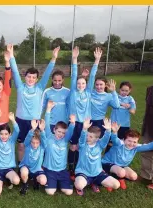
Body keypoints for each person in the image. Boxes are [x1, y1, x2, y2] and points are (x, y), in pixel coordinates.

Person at [7, 44, 60, 162]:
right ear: (25, 77)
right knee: (21, 146)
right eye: (29, 77)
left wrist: (53, 58)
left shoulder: (40, 87)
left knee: (34, 145)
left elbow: (47, 73)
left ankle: (33, 166)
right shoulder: (20, 87)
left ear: (37, 79)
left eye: (33, 77)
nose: (31, 79)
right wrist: (11, 55)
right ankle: (21, 165)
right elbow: (15, 71)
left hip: (34, 122)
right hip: (20, 121)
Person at [102, 122, 153, 191]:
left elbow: (148, 147)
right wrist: (114, 132)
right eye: (129, 141)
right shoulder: (119, 144)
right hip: (108, 163)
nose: (131, 144)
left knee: (134, 176)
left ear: (137, 142)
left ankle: (119, 177)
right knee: (121, 172)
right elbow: (114, 139)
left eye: (134, 142)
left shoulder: (136, 147)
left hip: (121, 166)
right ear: (124, 140)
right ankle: (109, 177)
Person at [67, 46, 101, 179]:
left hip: (85, 125)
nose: (80, 85)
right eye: (78, 83)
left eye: (83, 83)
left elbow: (92, 76)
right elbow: (74, 74)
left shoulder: (88, 92)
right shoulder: (73, 92)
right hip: (74, 124)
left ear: (86, 85)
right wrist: (74, 59)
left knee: (84, 147)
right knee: (73, 147)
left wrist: (96, 60)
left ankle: (82, 168)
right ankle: (71, 168)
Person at [74, 118, 120, 196]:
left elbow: (105, 139)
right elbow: (82, 138)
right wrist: (84, 129)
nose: (87, 138)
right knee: (79, 185)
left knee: (116, 184)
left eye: (91, 137)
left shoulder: (100, 145)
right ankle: (82, 184)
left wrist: (108, 130)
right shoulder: (83, 145)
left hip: (97, 173)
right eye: (87, 136)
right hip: (83, 172)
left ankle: (95, 182)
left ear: (97, 139)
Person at [42, 101, 75, 196]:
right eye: (59, 131)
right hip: (50, 170)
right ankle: (53, 182)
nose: (61, 134)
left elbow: (71, 130)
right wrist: (48, 109)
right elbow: (47, 123)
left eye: (63, 133)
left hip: (62, 170)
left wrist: (72, 123)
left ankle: (61, 182)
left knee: (69, 192)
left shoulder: (65, 140)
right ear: (54, 130)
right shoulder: (49, 136)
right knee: (50, 192)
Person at [0, 110, 20, 196]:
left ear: (10, 134)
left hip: (8, 169)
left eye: (6, 134)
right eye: (1, 134)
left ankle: (8, 179)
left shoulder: (12, 141)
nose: (4, 136)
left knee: (16, 181)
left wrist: (13, 120)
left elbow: (17, 131)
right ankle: (1, 180)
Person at [106, 81, 136, 153]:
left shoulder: (130, 99)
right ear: (119, 89)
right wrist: (122, 104)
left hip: (124, 125)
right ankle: (106, 160)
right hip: (114, 124)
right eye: (122, 90)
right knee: (110, 143)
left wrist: (129, 107)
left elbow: (133, 111)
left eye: (126, 91)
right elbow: (108, 99)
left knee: (121, 144)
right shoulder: (115, 96)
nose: (124, 92)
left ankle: (118, 160)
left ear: (129, 91)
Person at [19, 119, 47, 195]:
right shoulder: (27, 145)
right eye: (33, 142)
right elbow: (28, 138)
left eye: (37, 143)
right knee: (24, 172)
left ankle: (36, 180)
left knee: (43, 181)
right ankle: (25, 185)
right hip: (26, 167)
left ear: (40, 142)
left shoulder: (42, 146)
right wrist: (33, 129)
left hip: (37, 169)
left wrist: (42, 130)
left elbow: (44, 139)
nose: (35, 145)